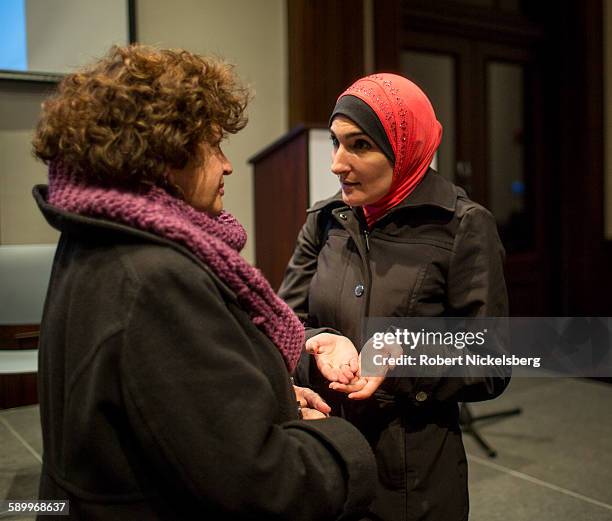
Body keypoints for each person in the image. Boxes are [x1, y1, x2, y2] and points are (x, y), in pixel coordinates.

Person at [31, 44, 377, 520]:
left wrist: (279, 393)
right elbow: (260, 481)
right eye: (213, 144)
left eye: (359, 144)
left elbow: (501, 352)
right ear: (161, 152)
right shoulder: (156, 276)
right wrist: (327, 421)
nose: (227, 164)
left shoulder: (98, 239)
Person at [279, 73, 511, 521]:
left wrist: (401, 355)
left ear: (405, 148)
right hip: (323, 458)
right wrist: (321, 344)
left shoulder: (463, 226)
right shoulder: (325, 220)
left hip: (411, 481)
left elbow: (492, 360)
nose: (337, 163)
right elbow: (283, 326)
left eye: (360, 145)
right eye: (335, 142)